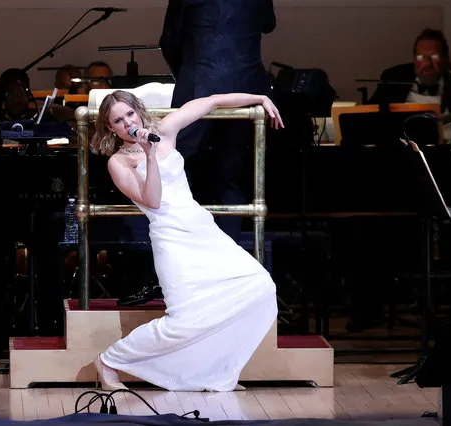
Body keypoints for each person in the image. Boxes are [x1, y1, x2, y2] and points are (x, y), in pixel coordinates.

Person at [90, 90, 283, 392]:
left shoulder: (165, 130)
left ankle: (215, 372)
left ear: (138, 112)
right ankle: (109, 361)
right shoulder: (119, 163)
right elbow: (153, 201)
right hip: (171, 240)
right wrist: (149, 155)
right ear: (110, 128)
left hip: (202, 230)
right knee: (182, 322)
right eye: (118, 120)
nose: (128, 122)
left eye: (130, 114)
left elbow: (212, 101)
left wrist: (259, 98)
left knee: (260, 286)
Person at [159, 0, 276, 242]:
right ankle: (229, 249)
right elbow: (268, 23)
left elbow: (169, 39)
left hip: (198, 81)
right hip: (246, 83)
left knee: (177, 165)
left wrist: (185, 72)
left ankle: (186, 245)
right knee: (231, 174)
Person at [368, 28, 451, 142]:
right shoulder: (393, 81)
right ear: (414, 60)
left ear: (445, 59)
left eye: (434, 57)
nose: (428, 63)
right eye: (421, 57)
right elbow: (370, 121)